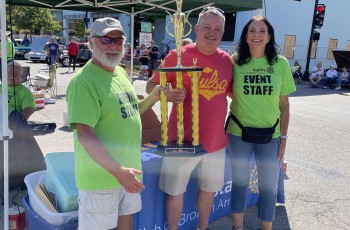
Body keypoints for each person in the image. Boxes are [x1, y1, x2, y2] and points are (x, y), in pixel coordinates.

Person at [66, 17, 162, 230]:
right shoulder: (83, 81)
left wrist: (154, 97)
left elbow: (130, 112)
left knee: (126, 222)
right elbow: (84, 134)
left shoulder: (119, 72)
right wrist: (118, 171)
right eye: (105, 40)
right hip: (102, 178)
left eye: (118, 41)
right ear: (90, 43)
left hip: (128, 174)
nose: (113, 46)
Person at [146, 6, 232, 230]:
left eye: (217, 29)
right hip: (180, 139)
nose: (212, 33)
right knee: (175, 191)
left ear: (223, 32)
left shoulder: (227, 62)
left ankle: (202, 228)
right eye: (207, 27)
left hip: (215, 141)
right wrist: (166, 92)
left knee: (209, 189)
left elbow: (235, 95)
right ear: (196, 29)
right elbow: (151, 85)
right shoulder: (178, 55)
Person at [226, 15, 296, 230]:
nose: (257, 35)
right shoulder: (235, 61)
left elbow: (284, 106)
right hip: (239, 133)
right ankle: (237, 226)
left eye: (262, 31)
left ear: (269, 37)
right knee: (239, 183)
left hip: (271, 136)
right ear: (246, 37)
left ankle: (266, 227)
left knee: (268, 186)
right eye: (252, 31)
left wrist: (284, 138)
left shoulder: (280, 63)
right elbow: (225, 90)